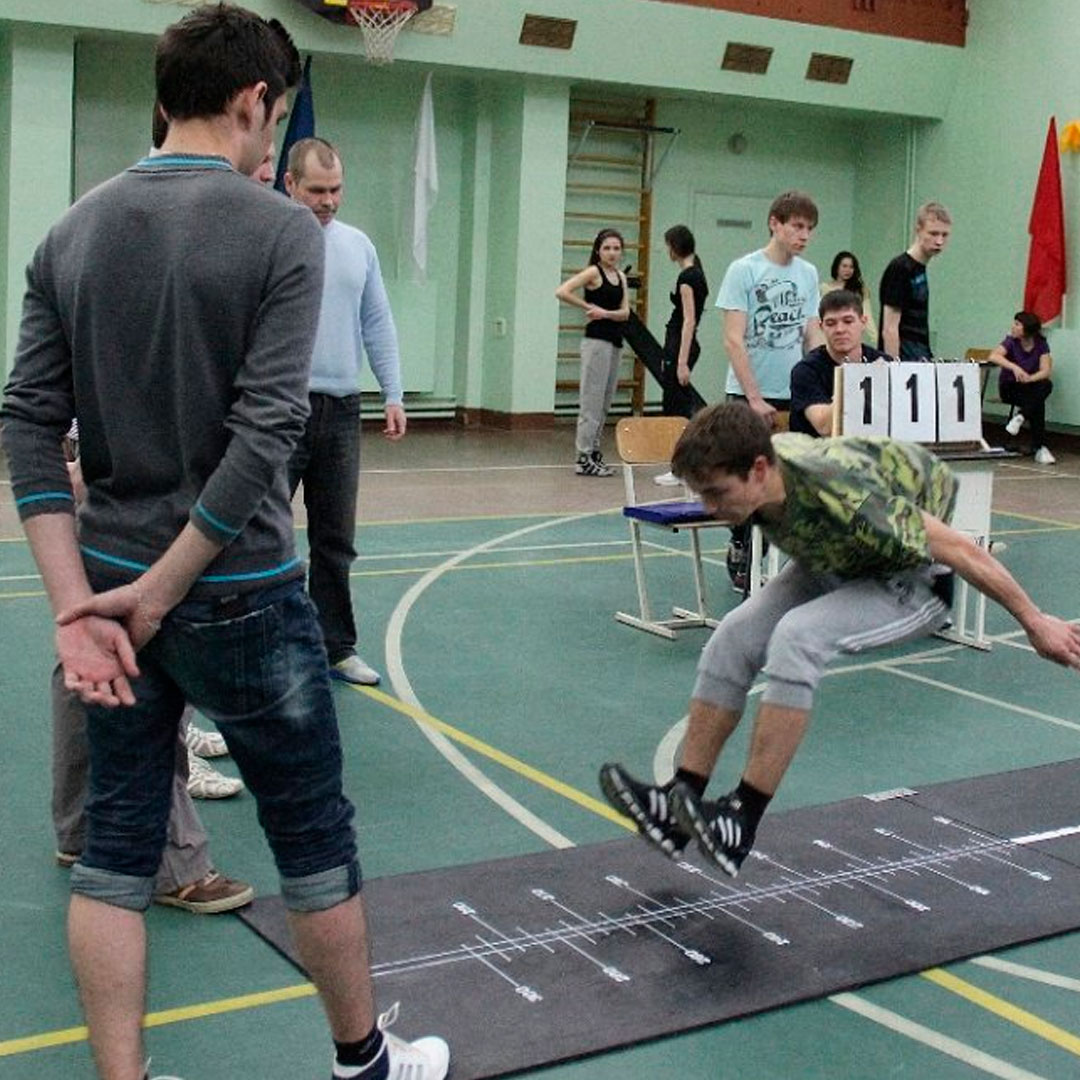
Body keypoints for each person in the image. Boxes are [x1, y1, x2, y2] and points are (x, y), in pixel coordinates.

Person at [0, 7, 448, 1080]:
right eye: (274, 119)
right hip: (236, 590)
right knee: (312, 840)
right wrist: (156, 595)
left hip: (104, 589)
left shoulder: (70, 231)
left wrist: (80, 608)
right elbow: (266, 437)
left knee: (112, 860)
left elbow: (24, 422)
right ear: (256, 103)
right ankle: (363, 1064)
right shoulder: (285, 232)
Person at [600, 402, 1080, 878]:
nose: (708, 507)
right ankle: (678, 801)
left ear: (759, 469)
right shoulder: (769, 464)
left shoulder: (838, 492)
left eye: (717, 492)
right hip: (837, 559)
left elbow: (957, 548)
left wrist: (1035, 622)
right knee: (733, 635)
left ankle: (741, 820)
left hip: (910, 584)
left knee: (798, 637)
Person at [284, 136, 405, 688]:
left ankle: (335, 646)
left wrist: (393, 392)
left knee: (334, 537)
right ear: (291, 185)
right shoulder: (270, 238)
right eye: (317, 190)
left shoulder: (359, 246)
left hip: (341, 411)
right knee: (261, 536)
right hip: (278, 409)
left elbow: (376, 321)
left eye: (336, 190)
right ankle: (273, 645)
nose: (329, 201)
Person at [715, 190, 824, 589]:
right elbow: (733, 339)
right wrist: (755, 397)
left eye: (809, 229)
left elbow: (812, 333)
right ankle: (743, 547)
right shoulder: (743, 270)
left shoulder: (809, 274)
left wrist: (819, 385)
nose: (804, 235)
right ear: (775, 224)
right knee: (750, 483)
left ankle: (790, 561)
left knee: (791, 483)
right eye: (797, 226)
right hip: (750, 394)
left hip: (793, 393)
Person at [556, 228, 630, 477]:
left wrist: (606, 313)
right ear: (598, 250)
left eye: (616, 248)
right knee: (591, 402)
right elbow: (563, 291)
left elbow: (625, 312)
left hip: (615, 341)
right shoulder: (592, 273)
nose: (612, 253)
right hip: (596, 342)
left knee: (605, 402)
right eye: (607, 248)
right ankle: (583, 456)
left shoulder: (620, 276)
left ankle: (595, 451)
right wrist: (588, 306)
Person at [653, 224, 709, 486]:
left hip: (679, 345)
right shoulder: (696, 273)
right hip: (680, 344)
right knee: (678, 405)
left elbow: (688, 321)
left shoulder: (687, 278)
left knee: (675, 407)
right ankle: (685, 465)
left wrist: (681, 362)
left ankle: (681, 468)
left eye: (667, 246)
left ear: (674, 247)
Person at [789, 289, 889, 437]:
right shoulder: (806, 371)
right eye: (831, 323)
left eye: (848, 321)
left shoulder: (884, 363)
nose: (840, 330)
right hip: (817, 454)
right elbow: (825, 427)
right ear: (821, 327)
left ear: (863, 322)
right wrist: (866, 378)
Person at [879, 201, 952, 360]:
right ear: (918, 230)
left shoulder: (920, 268)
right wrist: (895, 370)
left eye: (944, 235)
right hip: (904, 362)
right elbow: (890, 329)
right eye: (933, 234)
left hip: (920, 356)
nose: (939, 241)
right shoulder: (900, 268)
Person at [987, 310, 1056, 465]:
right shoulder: (1010, 341)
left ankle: (1020, 417)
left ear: (1027, 329)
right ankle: (1040, 448)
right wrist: (1014, 367)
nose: (1013, 327)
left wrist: (1030, 378)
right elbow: (993, 356)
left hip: (1029, 387)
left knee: (1046, 385)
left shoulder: (1041, 344)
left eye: (1017, 324)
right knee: (1037, 403)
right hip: (1010, 387)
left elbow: (1045, 371)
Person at [820, 250, 877, 346]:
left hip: (851, 336)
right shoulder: (824, 288)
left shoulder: (860, 290)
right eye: (844, 266)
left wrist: (876, 338)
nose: (848, 270)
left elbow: (867, 315)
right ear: (837, 267)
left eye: (851, 267)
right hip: (829, 337)